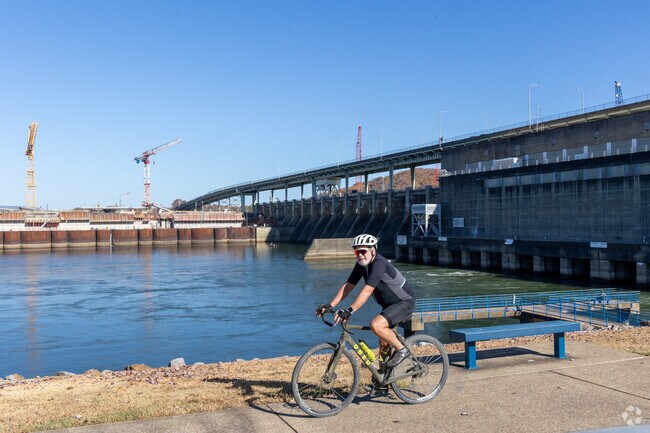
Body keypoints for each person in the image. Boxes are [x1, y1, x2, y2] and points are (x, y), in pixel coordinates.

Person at [315, 234, 416, 369]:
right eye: (357, 251)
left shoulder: (379, 264)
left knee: (376, 325)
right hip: (389, 305)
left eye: (363, 251)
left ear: (373, 250)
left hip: (404, 302)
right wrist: (331, 305)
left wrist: (350, 310)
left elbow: (367, 290)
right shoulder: (361, 265)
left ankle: (402, 350)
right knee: (383, 344)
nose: (360, 255)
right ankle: (382, 385)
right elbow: (348, 285)